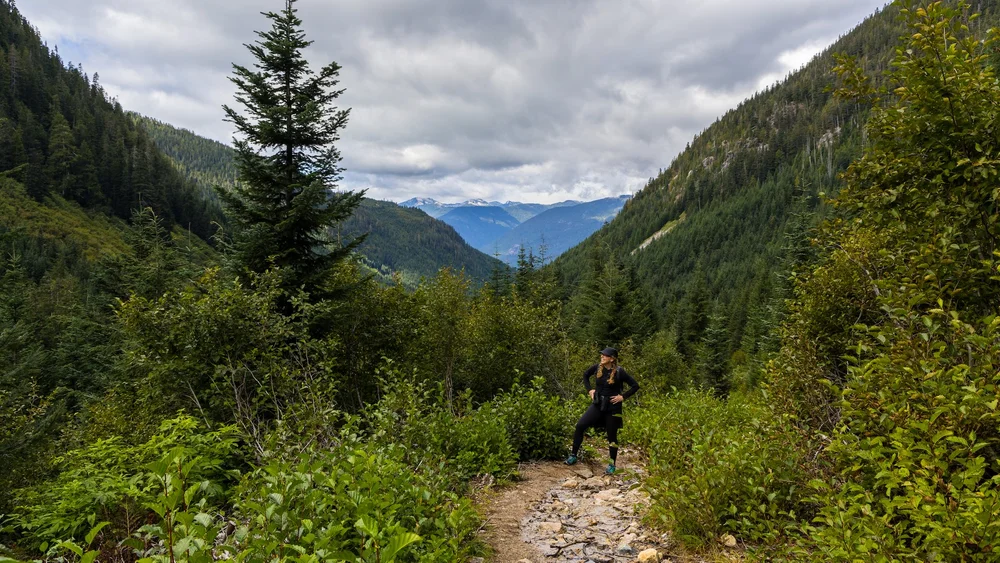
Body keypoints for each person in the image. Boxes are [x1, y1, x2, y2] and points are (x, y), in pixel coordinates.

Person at [565, 347, 639, 475]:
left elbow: (635, 386)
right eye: (602, 355)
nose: (602, 357)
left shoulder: (620, 372)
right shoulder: (597, 367)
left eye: (605, 355)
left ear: (612, 358)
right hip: (598, 404)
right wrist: (590, 390)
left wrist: (623, 397)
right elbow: (585, 375)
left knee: (611, 436)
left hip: (613, 407)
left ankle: (612, 464)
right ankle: (573, 455)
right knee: (580, 425)